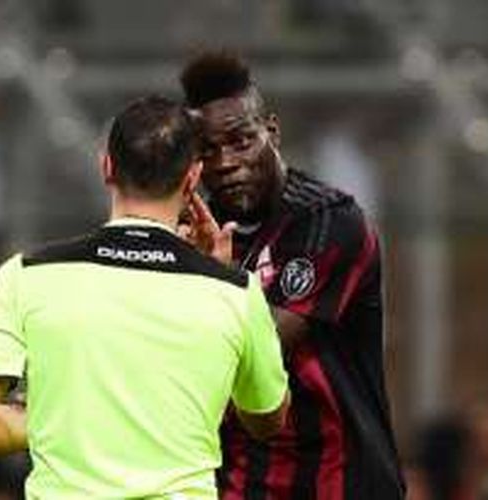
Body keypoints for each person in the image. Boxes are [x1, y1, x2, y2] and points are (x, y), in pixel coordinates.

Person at [0, 95, 290, 499]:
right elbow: (267, 419)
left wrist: (49, 420)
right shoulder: (234, 292)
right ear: (192, 177)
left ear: (106, 165)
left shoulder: (26, 276)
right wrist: (216, 270)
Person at [179, 52, 404, 499]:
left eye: (241, 141)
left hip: (338, 484)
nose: (225, 162)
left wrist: (213, 286)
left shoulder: (329, 222)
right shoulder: (188, 229)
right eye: (208, 150)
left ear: (272, 132)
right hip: (241, 486)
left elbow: (264, 349)